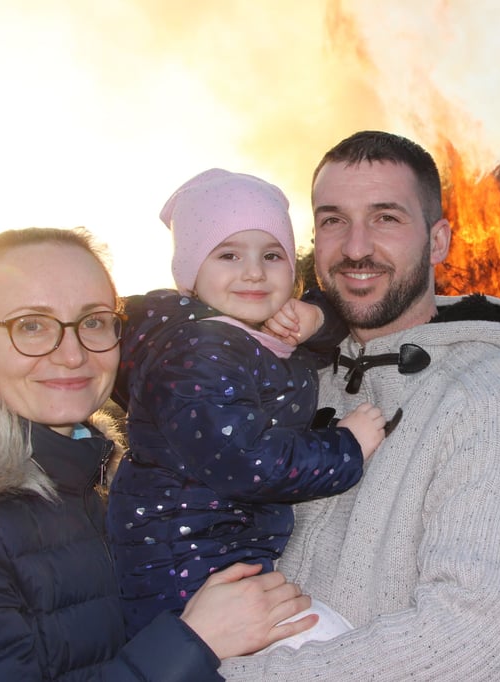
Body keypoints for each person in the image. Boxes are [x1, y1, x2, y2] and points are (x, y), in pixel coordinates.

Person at [221, 130, 500, 680]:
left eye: (386, 218)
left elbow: (469, 642)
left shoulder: (492, 396)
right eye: (333, 219)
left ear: (439, 240)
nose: (356, 247)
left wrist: (209, 672)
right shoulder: (285, 375)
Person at [0, 227, 316, 680]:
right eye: (30, 325)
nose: (71, 354)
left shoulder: (102, 482)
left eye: (94, 321)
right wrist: (194, 642)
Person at [107, 169, 387, 647]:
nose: (254, 271)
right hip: (186, 573)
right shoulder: (199, 351)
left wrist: (314, 317)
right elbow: (244, 459)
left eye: (272, 255)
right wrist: (346, 447)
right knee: (328, 642)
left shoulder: (245, 334)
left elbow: (324, 330)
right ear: (192, 271)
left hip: (216, 553)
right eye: (229, 254)